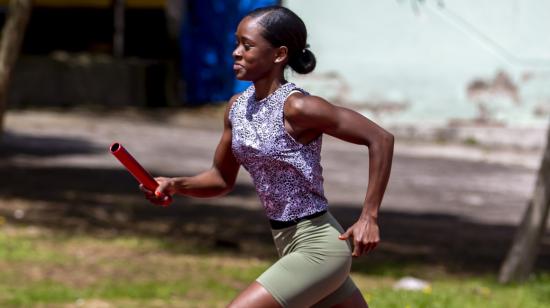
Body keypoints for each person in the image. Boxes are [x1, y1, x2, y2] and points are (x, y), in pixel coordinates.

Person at [141, 5, 394, 308]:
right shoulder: (237, 108)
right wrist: (175, 184)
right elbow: (221, 179)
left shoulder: (299, 107)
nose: (236, 52)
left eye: (247, 46)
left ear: (279, 55)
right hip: (286, 242)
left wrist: (369, 216)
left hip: (319, 246)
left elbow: (380, 138)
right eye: (236, 43)